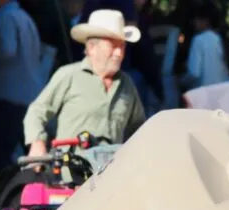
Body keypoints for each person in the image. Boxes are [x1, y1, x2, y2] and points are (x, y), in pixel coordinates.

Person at [23, 10, 146, 155]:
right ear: (92, 48)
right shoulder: (69, 75)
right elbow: (37, 111)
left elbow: (139, 129)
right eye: (113, 46)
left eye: (122, 46)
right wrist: (37, 143)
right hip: (72, 170)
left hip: (112, 172)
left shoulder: (126, 84)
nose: (119, 53)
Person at [0, 0, 43, 175]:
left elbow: (7, 50)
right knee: (31, 154)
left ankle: (12, 194)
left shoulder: (6, 18)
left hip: (11, 97)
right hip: (29, 95)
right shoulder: (23, 17)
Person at [180, 2, 229, 90]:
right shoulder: (219, 39)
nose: (194, 23)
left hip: (205, 92)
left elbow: (194, 73)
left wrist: (181, 82)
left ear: (206, 21)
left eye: (197, 19)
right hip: (224, 89)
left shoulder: (198, 40)